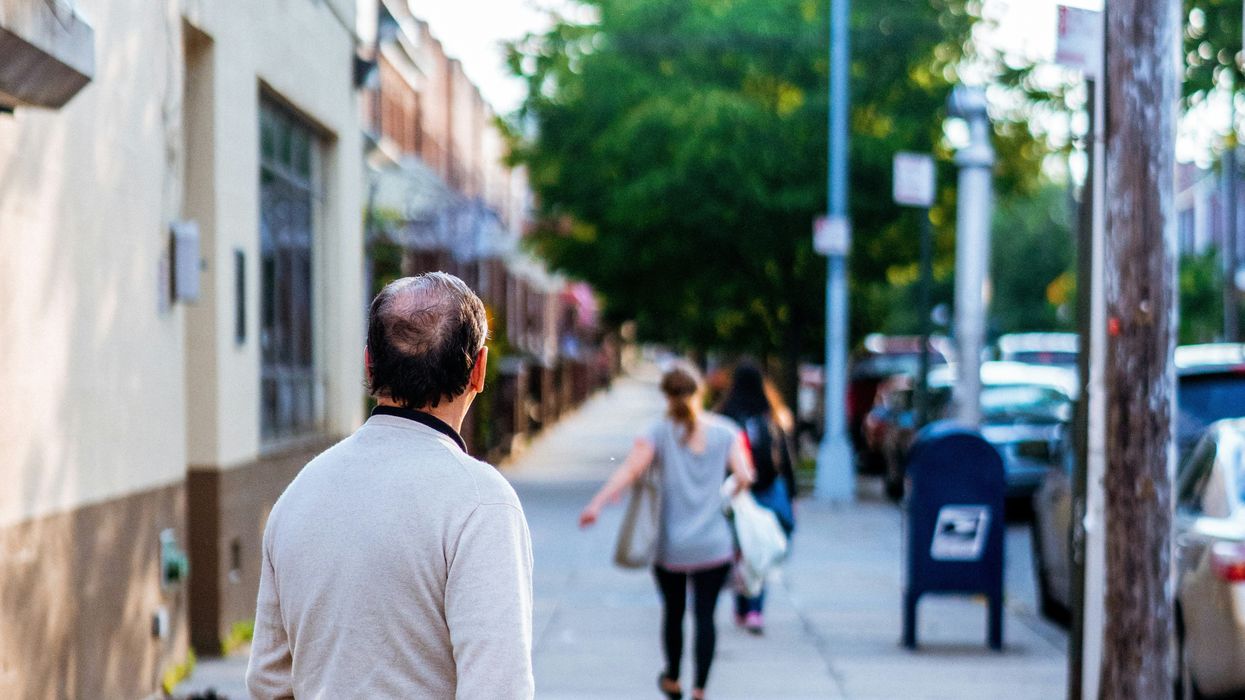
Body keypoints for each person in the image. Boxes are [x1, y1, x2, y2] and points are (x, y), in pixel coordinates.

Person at [246, 272, 535, 699]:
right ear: (479, 369)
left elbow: (268, 682)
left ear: (368, 364)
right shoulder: (480, 503)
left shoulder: (300, 493)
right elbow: (498, 686)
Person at [580, 362, 754, 700]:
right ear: (699, 391)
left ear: (666, 396)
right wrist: (727, 496)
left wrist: (597, 504)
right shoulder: (727, 431)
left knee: (673, 614)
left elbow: (629, 471)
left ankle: (673, 678)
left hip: (671, 546)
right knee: (706, 617)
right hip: (714, 545)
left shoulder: (656, 433)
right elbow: (745, 476)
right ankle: (700, 689)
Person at [716, 361, 797, 635]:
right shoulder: (772, 415)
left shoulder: (724, 414)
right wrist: (793, 496)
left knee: (741, 549)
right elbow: (785, 459)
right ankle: (755, 609)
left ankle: (741, 605)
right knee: (760, 548)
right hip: (768, 488)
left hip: (737, 490)